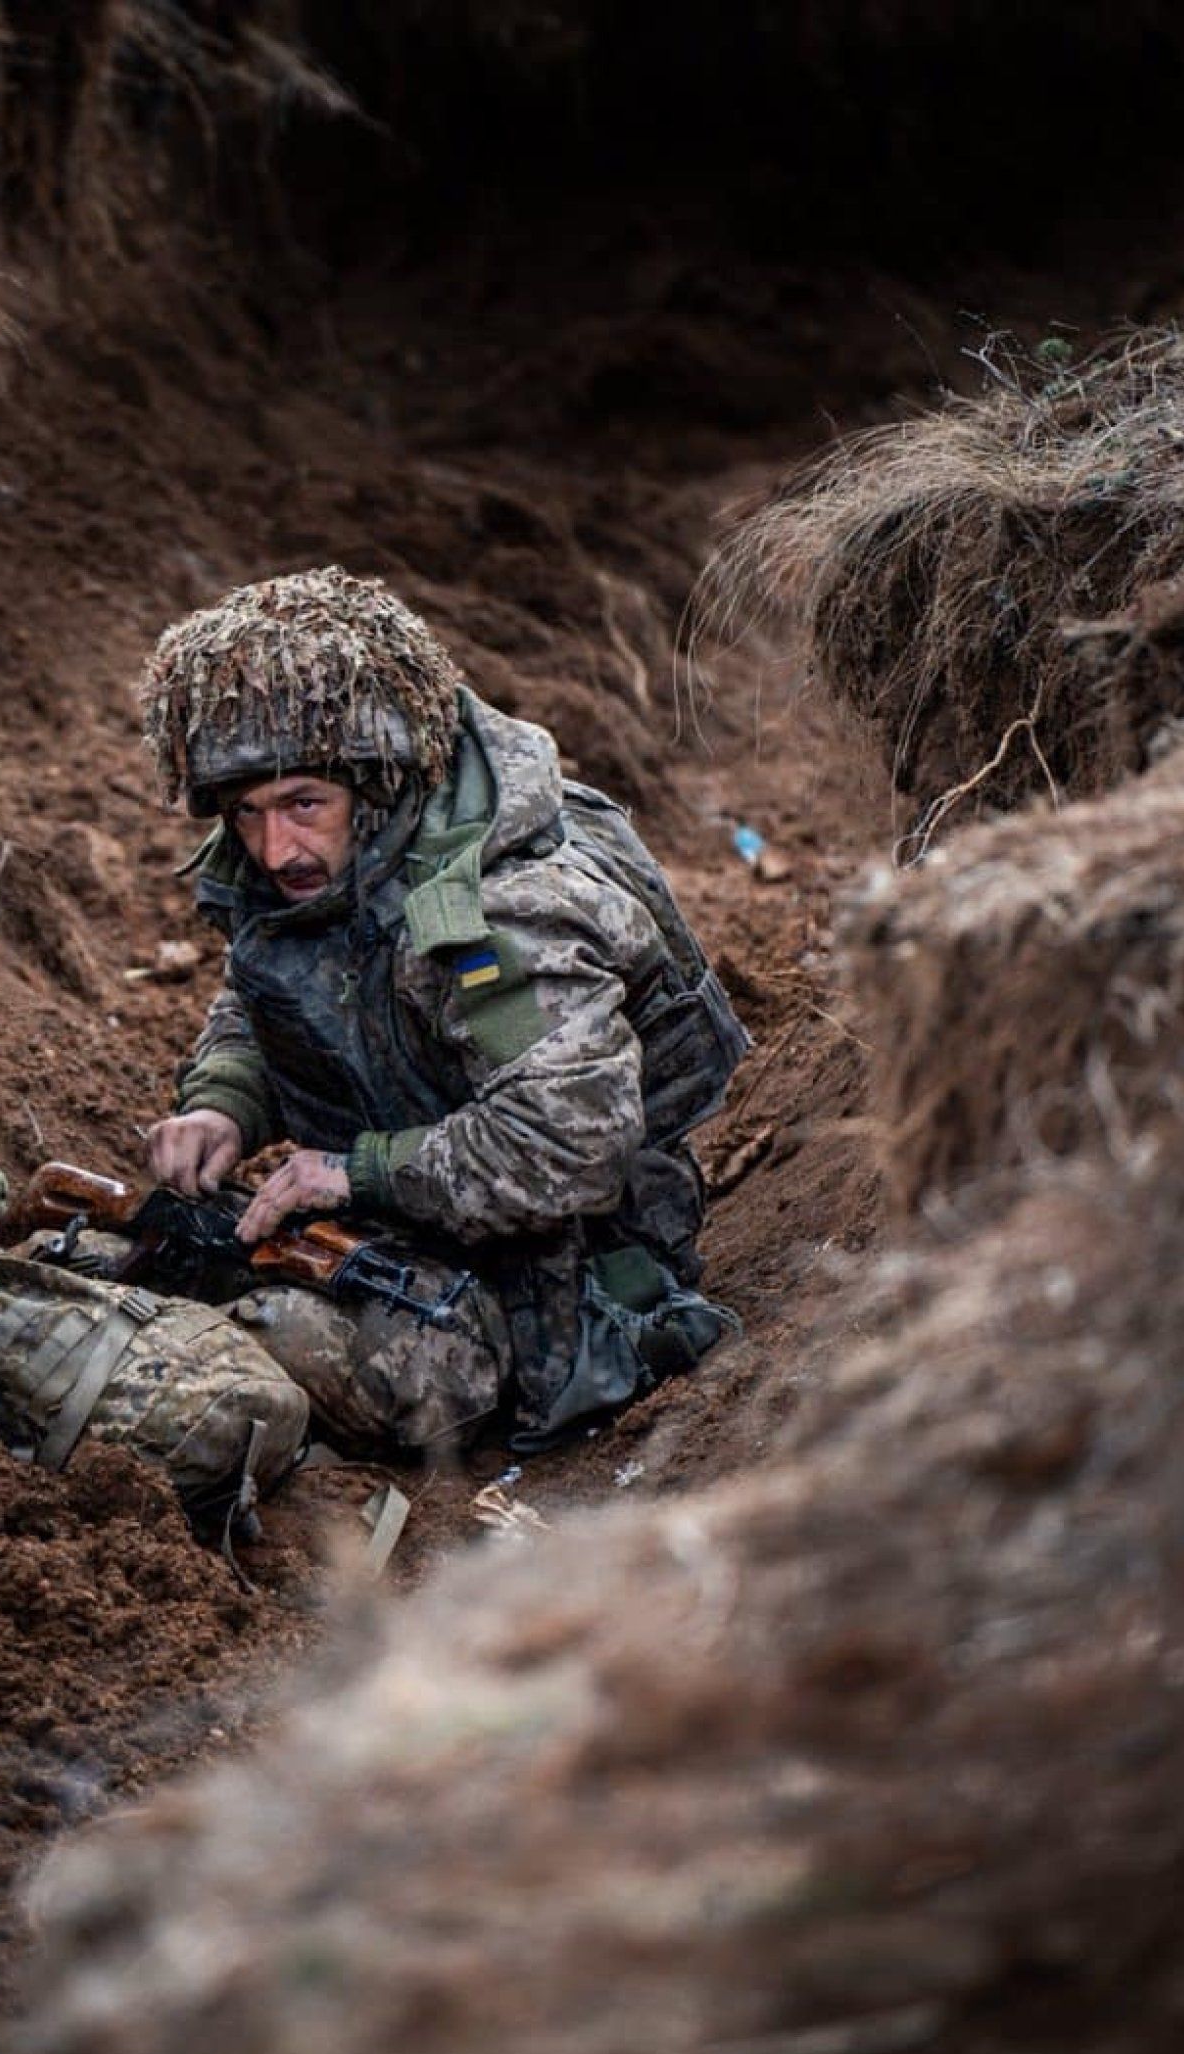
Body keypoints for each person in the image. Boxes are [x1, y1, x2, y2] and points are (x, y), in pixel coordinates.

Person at [134, 566, 747, 1457]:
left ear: (376, 785)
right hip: (404, 1217)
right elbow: (282, 985)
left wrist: (356, 1174)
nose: (276, 848)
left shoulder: (503, 919)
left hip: (561, 1278)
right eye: (248, 814)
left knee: (270, 1360)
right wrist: (225, 1100)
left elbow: (566, 1145)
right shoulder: (329, 865)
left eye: (304, 804)